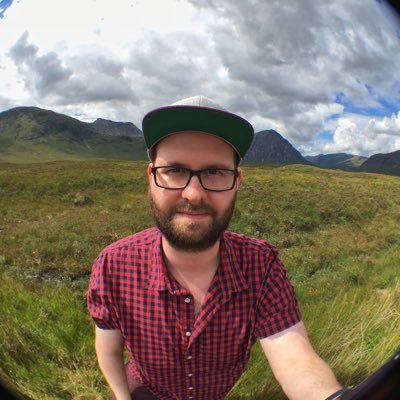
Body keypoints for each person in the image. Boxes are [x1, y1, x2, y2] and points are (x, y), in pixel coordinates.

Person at [87, 95, 347, 400]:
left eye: (215, 172)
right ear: (151, 177)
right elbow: (109, 351)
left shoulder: (261, 266)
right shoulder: (113, 265)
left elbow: (296, 362)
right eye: (175, 170)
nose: (194, 194)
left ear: (237, 182)